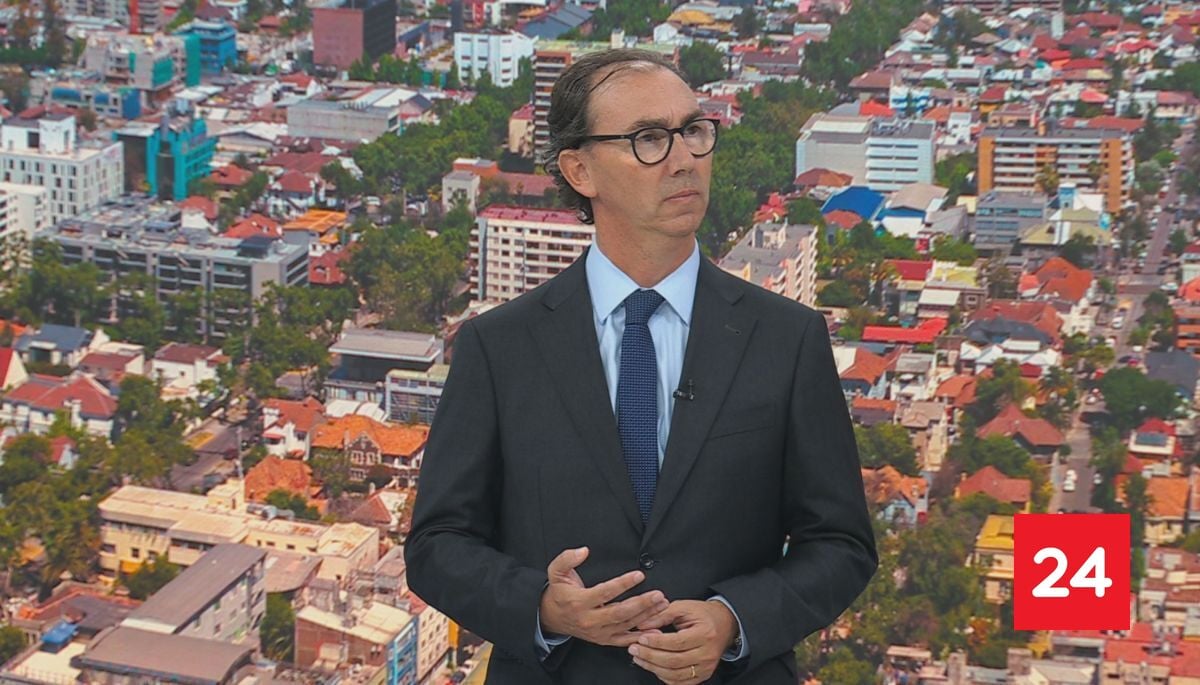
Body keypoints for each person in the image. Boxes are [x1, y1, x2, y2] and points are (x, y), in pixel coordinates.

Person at [405, 48, 877, 684]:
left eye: (694, 131)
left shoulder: (787, 338)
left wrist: (733, 620)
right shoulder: (499, 346)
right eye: (649, 139)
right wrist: (543, 608)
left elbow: (842, 544)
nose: (684, 159)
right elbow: (436, 546)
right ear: (580, 170)